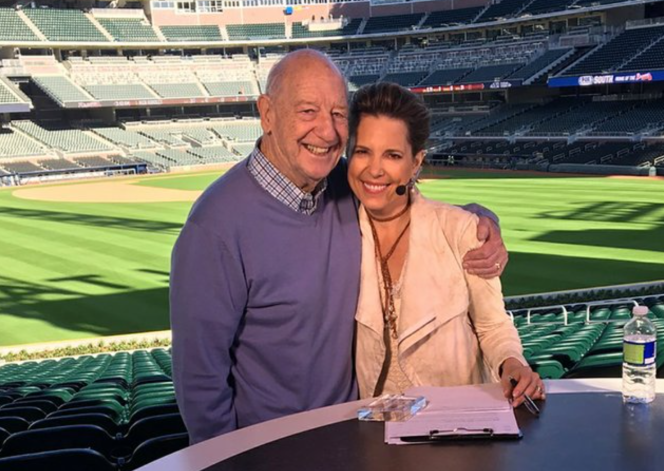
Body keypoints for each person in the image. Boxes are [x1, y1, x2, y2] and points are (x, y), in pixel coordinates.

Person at [170, 49, 509, 444]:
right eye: (308, 111)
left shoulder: (343, 185)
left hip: (355, 437)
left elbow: (408, 201)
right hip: (274, 452)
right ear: (267, 114)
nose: (327, 133)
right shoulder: (214, 228)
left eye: (337, 114)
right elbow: (200, 381)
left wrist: (481, 219)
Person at [347, 82, 544, 404]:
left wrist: (512, 363)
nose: (374, 169)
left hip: (456, 427)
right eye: (362, 151)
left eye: (392, 155)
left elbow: (492, 325)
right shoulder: (336, 231)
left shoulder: (461, 229)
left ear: (415, 163)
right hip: (375, 430)